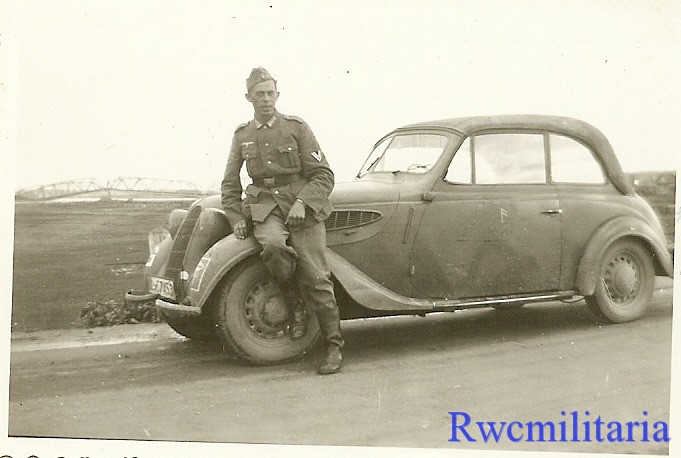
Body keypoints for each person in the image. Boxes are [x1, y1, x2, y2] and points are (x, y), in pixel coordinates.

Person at [221, 67, 344, 375]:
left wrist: (303, 202)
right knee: (274, 246)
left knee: (317, 275)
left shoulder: (296, 128)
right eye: (259, 94)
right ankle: (295, 300)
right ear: (248, 98)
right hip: (265, 207)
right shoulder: (242, 135)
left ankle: (334, 346)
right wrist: (235, 217)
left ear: (277, 95)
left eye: (270, 93)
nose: (265, 99)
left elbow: (324, 175)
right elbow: (230, 184)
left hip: (301, 207)